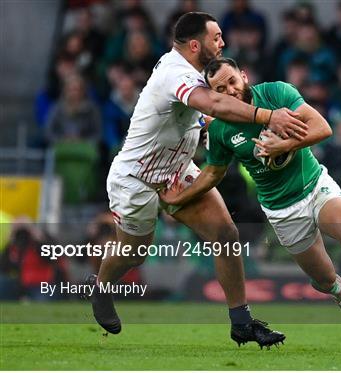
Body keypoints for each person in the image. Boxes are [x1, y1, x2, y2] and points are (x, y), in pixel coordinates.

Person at [160, 57, 341, 336]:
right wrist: (178, 198)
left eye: (231, 81)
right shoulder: (219, 130)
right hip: (282, 211)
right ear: (213, 96)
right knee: (323, 278)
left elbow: (323, 128)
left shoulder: (276, 92)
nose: (229, 90)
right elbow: (213, 173)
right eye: (220, 89)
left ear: (243, 76)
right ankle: (337, 289)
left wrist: (285, 145)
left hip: (315, 187)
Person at [85, 12, 308, 349]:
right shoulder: (176, 72)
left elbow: (211, 112)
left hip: (175, 169)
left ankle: (241, 322)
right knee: (135, 253)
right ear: (195, 44)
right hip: (136, 177)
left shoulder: (196, 75)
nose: (223, 43)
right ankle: (100, 286)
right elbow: (215, 105)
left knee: (225, 233)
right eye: (216, 37)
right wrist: (268, 116)